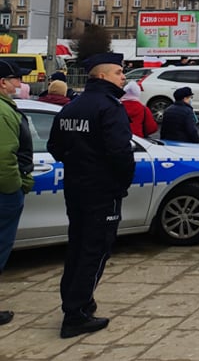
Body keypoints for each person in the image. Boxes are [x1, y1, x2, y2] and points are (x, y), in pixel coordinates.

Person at [48, 52, 134, 338]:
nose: (123, 77)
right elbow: (121, 152)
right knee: (95, 250)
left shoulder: (73, 106)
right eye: (119, 72)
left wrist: (77, 163)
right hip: (102, 190)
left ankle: (75, 301)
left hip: (76, 188)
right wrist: (121, 182)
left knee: (78, 245)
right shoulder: (109, 108)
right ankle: (76, 313)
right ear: (102, 76)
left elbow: (54, 146)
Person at [0, 60, 34, 327]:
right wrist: (16, 187)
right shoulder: (3, 111)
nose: (20, 84)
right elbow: (4, 156)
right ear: (3, 83)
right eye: (15, 79)